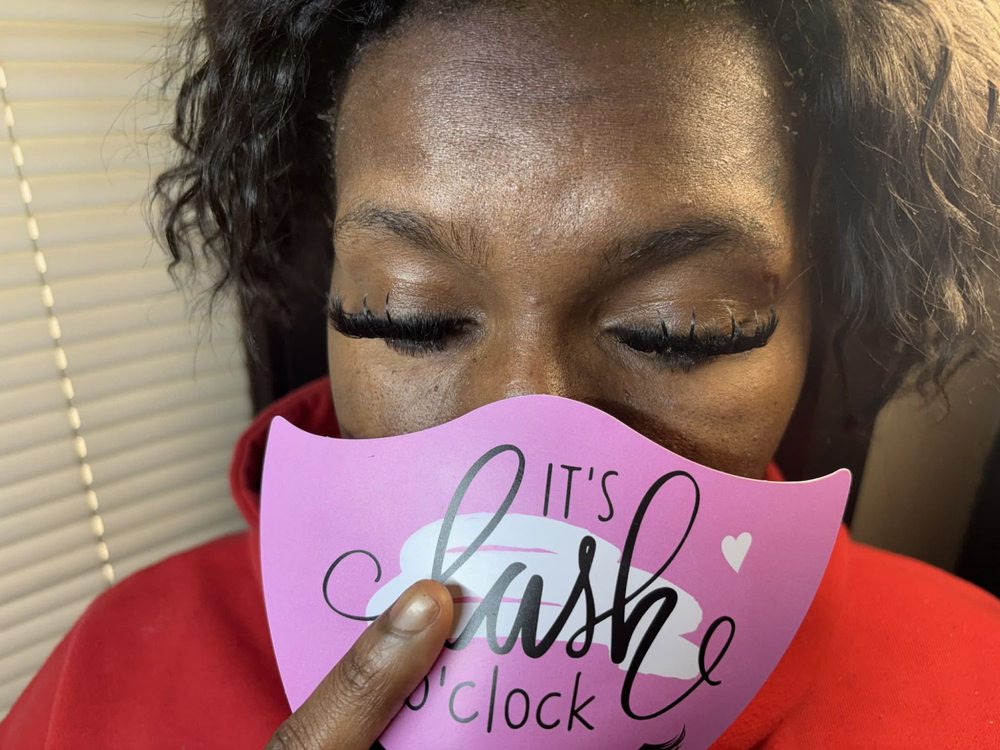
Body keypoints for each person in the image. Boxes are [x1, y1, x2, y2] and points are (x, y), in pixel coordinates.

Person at [2, 0, 999, 747]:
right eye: (409, 315)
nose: (525, 436)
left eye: (680, 327)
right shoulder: (105, 679)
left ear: (817, 314)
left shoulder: (973, 682)